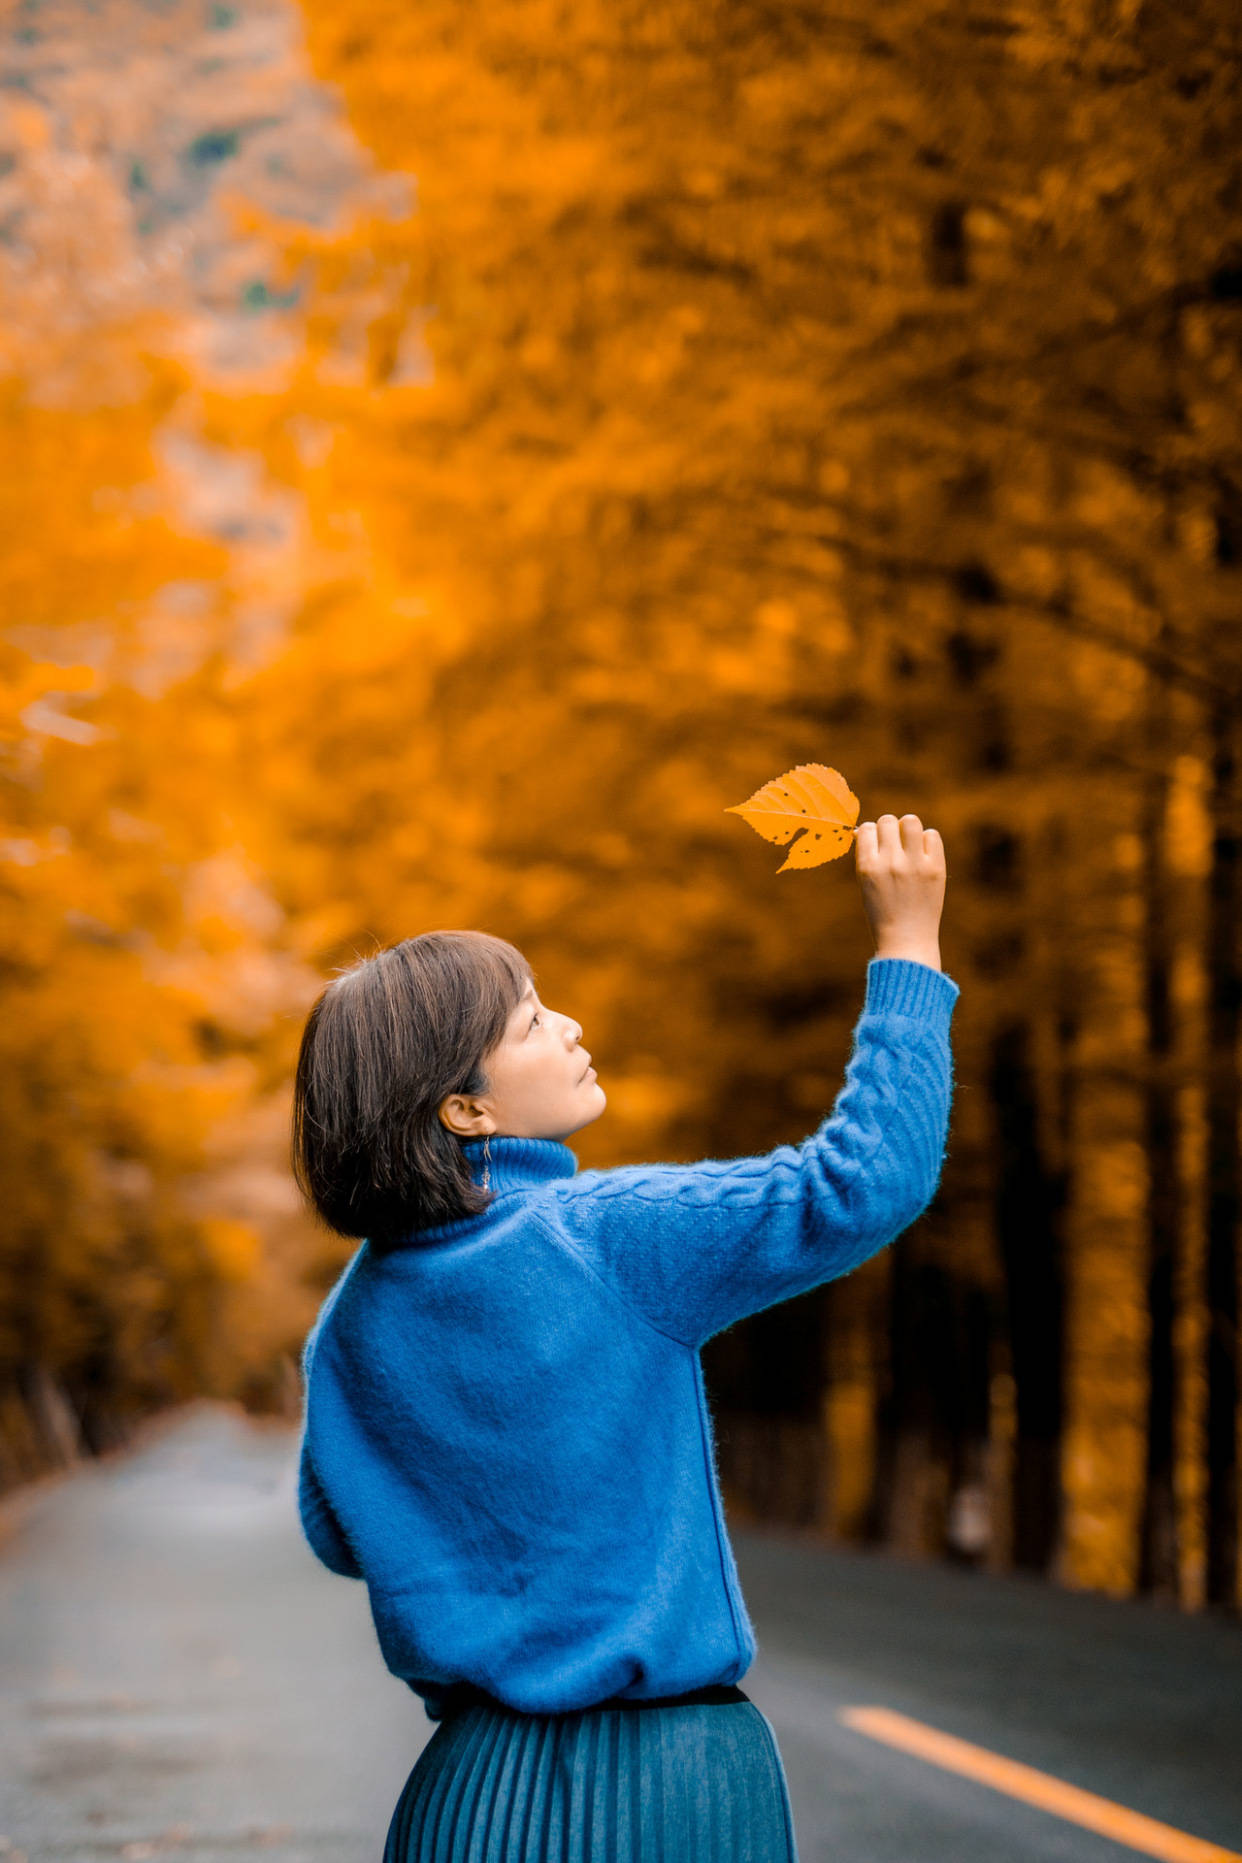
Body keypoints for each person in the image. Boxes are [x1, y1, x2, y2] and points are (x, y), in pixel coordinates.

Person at [292, 812, 957, 1861]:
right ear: (464, 1110)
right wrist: (908, 946)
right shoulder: (610, 1237)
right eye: (527, 1020)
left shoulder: (351, 1322)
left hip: (463, 1799)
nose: (567, 1023)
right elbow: (862, 1181)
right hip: (673, 1791)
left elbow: (339, 1531)